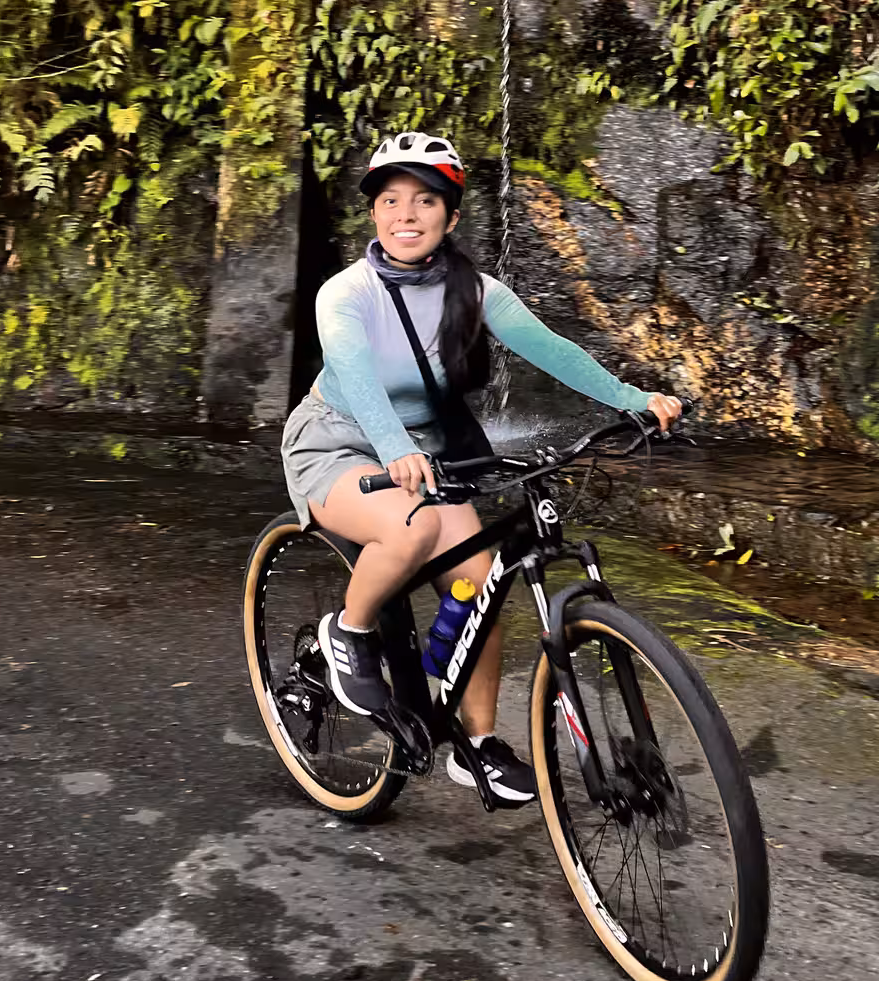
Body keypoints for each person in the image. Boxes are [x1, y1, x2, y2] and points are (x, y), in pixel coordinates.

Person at [280, 131, 683, 807]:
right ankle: (347, 634)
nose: (407, 214)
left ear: (452, 216)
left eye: (426, 200)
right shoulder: (344, 294)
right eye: (391, 200)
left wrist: (633, 399)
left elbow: (552, 349)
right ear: (374, 214)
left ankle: (480, 744)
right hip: (338, 442)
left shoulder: (475, 290)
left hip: (426, 454)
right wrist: (397, 449)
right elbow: (358, 378)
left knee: (479, 588)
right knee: (405, 532)